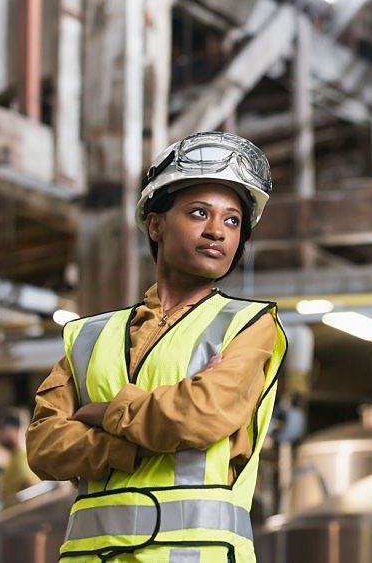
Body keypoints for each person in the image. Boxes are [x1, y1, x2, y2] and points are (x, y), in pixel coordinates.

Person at [27, 132, 288, 562]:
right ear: (155, 223)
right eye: (199, 212)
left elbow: (203, 414)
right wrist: (135, 442)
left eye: (232, 220)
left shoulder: (247, 325)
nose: (216, 232)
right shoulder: (91, 335)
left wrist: (103, 413)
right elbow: (45, 446)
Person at [0, 406, 41, 505]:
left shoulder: (25, 461)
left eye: (2, 429)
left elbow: (33, 493)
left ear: (16, 429)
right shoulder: (14, 458)